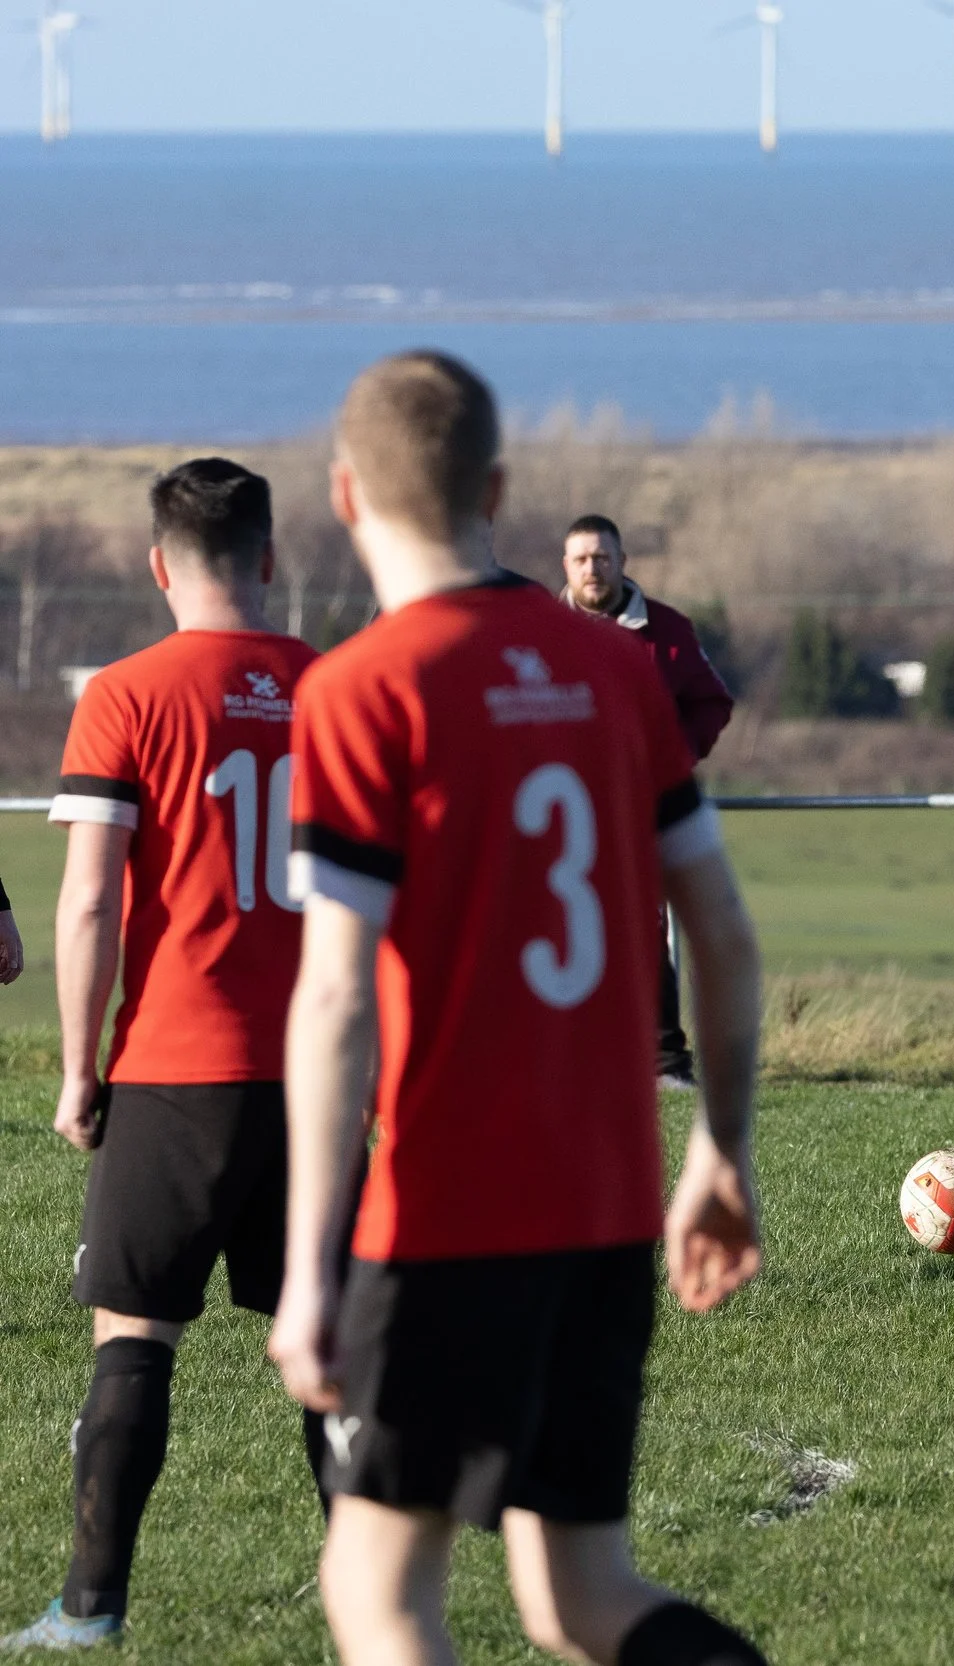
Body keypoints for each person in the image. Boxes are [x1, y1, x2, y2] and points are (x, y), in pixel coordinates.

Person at [266, 351, 770, 1666]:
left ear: (342, 495)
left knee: (377, 1591)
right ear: (496, 485)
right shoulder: (613, 674)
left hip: (445, 1218)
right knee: (580, 1594)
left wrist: (310, 1258)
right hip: (605, 1210)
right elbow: (718, 927)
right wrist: (721, 1143)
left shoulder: (361, 688)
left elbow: (332, 997)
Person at [6, 459, 321, 1651]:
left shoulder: (128, 694)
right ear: (272, 558)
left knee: (135, 1336)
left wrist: (79, 1067)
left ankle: (89, 1610)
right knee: (326, 1346)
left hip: (179, 1066)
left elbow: (88, 903)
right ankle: (378, 1608)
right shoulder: (340, 688)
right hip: (318, 1074)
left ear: (156, 565)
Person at [559, 512, 735, 1094]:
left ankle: (665, 1064)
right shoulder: (537, 631)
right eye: (582, 558)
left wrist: (670, 761)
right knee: (556, 931)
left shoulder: (668, 632)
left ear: (622, 562)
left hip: (640, 813)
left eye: (603, 557)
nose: (593, 568)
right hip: (558, 812)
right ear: (566, 566)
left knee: (644, 930)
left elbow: (711, 703)